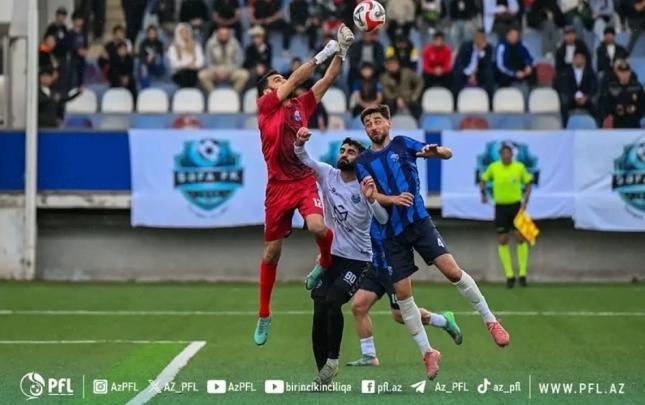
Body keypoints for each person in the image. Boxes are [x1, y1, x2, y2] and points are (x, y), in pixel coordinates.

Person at [355, 104, 510, 379]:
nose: (373, 126)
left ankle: (491, 321)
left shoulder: (403, 144)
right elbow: (372, 196)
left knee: (452, 271)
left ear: (388, 124)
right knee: (403, 297)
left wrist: (438, 151)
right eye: (368, 124)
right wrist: (390, 199)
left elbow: (446, 153)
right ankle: (428, 352)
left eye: (377, 121)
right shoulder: (363, 161)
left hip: (418, 222)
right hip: (391, 235)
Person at [253, 25, 355, 346]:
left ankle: (324, 261)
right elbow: (298, 77)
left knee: (317, 227)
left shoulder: (300, 106)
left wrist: (341, 51)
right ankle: (264, 314)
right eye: (275, 80)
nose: (281, 80)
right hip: (277, 187)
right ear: (266, 93)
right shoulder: (266, 108)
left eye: (281, 78)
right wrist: (322, 54)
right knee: (272, 253)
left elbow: (327, 80)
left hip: (302, 180)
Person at [294, 130, 389, 385]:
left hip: (357, 260)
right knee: (319, 312)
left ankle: (333, 360)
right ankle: (324, 376)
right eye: (343, 151)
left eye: (351, 152)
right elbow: (304, 159)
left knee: (333, 299)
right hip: (331, 258)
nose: (344, 155)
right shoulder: (328, 174)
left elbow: (383, 219)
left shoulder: (365, 185)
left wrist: (372, 199)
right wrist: (300, 142)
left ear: (361, 159)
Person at [346, 232, 463, 367]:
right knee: (359, 306)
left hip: (393, 268)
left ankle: (443, 320)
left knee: (400, 315)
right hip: (374, 267)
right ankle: (369, 355)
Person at [479, 144, 533, 288]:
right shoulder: (494, 167)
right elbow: (482, 180)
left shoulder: (519, 167)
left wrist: (526, 201)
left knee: (520, 237)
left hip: (516, 206)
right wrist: (483, 194)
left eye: (508, 153)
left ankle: (522, 274)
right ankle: (509, 275)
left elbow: (528, 184)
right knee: (503, 239)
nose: (506, 156)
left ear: (512, 155)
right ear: (500, 155)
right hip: (501, 207)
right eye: (503, 153)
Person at [199, 27, 249, 93]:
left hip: (231, 70)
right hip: (215, 70)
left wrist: (229, 71)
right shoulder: (210, 43)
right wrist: (216, 71)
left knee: (244, 74)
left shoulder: (235, 43)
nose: (223, 36)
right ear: (217, 34)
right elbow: (207, 61)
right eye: (221, 35)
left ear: (229, 35)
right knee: (202, 75)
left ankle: (234, 94)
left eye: (225, 35)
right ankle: (213, 93)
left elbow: (239, 60)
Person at [600, 60, 645, 128]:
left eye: (626, 72)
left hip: (634, 121)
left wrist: (636, 111)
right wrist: (615, 108)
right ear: (617, 73)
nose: (624, 75)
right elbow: (606, 105)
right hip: (617, 122)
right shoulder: (612, 87)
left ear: (630, 72)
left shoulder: (637, 87)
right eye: (621, 72)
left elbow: (642, 104)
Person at [453, 29, 495, 97]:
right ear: (474, 38)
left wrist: (481, 51)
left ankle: (490, 99)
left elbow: (488, 64)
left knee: (489, 74)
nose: (480, 40)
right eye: (478, 37)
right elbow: (459, 62)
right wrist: (469, 74)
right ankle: (455, 99)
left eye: (482, 38)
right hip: (466, 71)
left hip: (480, 73)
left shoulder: (488, 48)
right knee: (456, 73)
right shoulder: (466, 46)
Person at [558, 50, 598, 122]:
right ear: (573, 60)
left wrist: (586, 98)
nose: (578, 60)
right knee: (564, 106)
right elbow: (565, 88)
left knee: (597, 107)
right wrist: (573, 98)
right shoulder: (566, 73)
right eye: (576, 58)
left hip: (586, 100)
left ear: (584, 60)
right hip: (571, 100)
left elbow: (593, 88)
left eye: (580, 58)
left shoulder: (590, 73)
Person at [168, 23, 205, 88]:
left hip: (193, 70)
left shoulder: (196, 45)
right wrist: (186, 65)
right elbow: (173, 63)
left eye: (186, 32)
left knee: (191, 74)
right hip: (179, 72)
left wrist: (193, 65)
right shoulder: (173, 47)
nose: (184, 34)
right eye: (182, 32)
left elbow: (200, 61)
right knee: (185, 73)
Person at [138, 25, 166, 89]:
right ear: (147, 34)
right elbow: (141, 56)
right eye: (150, 33)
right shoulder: (143, 43)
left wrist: (153, 57)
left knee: (158, 59)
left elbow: (161, 55)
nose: (152, 34)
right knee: (143, 67)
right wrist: (147, 60)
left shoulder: (159, 43)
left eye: (153, 33)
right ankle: (146, 88)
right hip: (146, 64)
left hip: (156, 65)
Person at [67, 10, 89, 88]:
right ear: (73, 21)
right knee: (73, 81)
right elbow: (69, 47)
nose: (79, 22)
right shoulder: (70, 33)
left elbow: (86, 45)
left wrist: (85, 51)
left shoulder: (84, 34)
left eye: (81, 20)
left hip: (82, 61)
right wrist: (77, 51)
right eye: (78, 19)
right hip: (73, 61)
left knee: (82, 82)